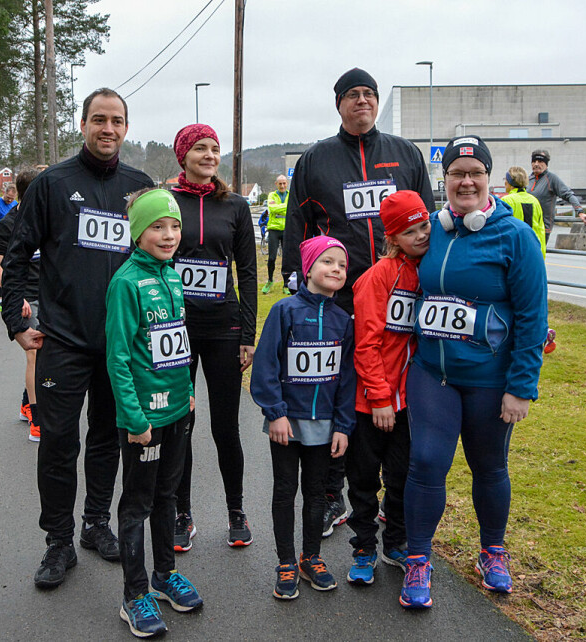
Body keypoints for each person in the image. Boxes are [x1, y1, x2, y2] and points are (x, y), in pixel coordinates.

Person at [1, 87, 153, 589]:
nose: (108, 129)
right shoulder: (52, 183)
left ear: (126, 127)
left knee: (108, 438)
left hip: (119, 344)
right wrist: (17, 322)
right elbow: (17, 255)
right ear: (83, 124)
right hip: (62, 341)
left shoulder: (139, 186)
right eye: (99, 119)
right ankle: (58, 541)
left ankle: (94, 524)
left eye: (117, 121)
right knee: (59, 443)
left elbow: (156, 258)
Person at [283, 67, 435, 537]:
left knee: (397, 389)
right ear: (339, 104)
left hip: (402, 293)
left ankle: (394, 494)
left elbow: (428, 223)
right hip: (341, 299)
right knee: (339, 394)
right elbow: (298, 226)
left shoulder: (405, 153)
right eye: (353, 94)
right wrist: (298, 286)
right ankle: (333, 494)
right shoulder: (316, 160)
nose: (363, 101)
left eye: (369, 93)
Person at [399, 135, 547, 609]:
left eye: (475, 173)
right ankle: (418, 559)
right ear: (444, 180)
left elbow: (533, 318)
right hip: (432, 373)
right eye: (457, 173)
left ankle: (493, 552)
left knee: (489, 466)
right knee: (426, 462)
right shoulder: (431, 230)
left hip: (490, 380)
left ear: (489, 179)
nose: (466, 181)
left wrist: (521, 387)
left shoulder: (515, 237)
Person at [105, 188, 203, 638]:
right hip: (144, 420)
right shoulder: (126, 283)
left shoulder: (173, 277)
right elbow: (118, 358)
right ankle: (134, 594)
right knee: (138, 504)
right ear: (137, 232)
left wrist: (188, 392)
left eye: (175, 226)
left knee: (168, 496)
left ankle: (165, 576)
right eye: (157, 227)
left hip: (177, 411)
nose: (168, 235)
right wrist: (135, 418)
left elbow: (177, 345)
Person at [250, 235, 355, 599]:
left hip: (325, 426)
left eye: (342, 265)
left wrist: (343, 426)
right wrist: (276, 413)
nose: (336, 269)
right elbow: (266, 365)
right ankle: (285, 562)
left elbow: (347, 379)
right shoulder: (285, 311)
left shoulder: (344, 321)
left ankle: (311, 557)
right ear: (308, 269)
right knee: (284, 490)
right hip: (286, 423)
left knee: (316, 492)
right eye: (328, 262)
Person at [169, 124, 257, 552]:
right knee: (179, 424)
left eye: (215, 149)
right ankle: (181, 513)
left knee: (226, 426)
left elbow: (248, 272)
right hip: (177, 328)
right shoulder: (167, 202)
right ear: (183, 156)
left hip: (224, 327)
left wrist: (248, 333)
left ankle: (236, 510)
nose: (209, 155)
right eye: (200, 148)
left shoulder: (235, 205)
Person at [345, 190, 430, 586]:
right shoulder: (378, 277)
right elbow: (367, 343)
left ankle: (395, 541)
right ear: (393, 237)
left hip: (411, 401)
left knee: (402, 477)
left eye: (424, 226)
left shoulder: (431, 270)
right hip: (371, 402)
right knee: (364, 480)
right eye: (410, 232)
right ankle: (363, 548)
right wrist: (379, 398)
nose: (421, 235)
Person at [0, 167, 41, 442]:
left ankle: (26, 401)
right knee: (35, 352)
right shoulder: (8, 224)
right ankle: (37, 419)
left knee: (50, 355)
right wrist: (15, 294)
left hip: (49, 296)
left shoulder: (47, 219)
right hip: (25, 298)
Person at [528, 149, 586, 242]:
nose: (536, 164)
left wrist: (580, 211)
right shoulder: (528, 179)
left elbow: (569, 194)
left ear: (546, 164)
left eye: (540, 161)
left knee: (538, 252)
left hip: (542, 228)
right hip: (527, 227)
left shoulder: (551, 179)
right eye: (534, 161)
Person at [501, 166, 546, 256]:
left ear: (510, 182)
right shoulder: (534, 201)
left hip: (514, 252)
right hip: (533, 250)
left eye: (505, 179)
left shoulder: (506, 201)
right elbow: (541, 230)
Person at [0, 184, 18, 308]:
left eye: (12, 198)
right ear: (4, 193)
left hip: (13, 238)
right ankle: (0, 296)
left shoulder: (15, 204)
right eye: (8, 197)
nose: (9, 200)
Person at [261, 175, 289, 294]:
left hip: (287, 230)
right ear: (276, 184)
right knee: (272, 258)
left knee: (287, 259)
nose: (282, 186)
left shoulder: (291, 195)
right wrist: (286, 207)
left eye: (284, 183)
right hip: (274, 230)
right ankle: (270, 280)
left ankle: (286, 284)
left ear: (287, 183)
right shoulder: (272, 195)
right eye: (280, 183)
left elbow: (293, 209)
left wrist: (279, 208)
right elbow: (272, 209)